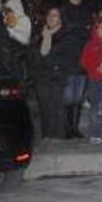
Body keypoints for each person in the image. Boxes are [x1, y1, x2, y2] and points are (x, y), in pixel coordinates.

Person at [34, 7, 75, 141]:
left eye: (55, 15)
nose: (52, 18)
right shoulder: (40, 34)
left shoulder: (65, 35)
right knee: (45, 109)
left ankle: (57, 138)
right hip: (42, 77)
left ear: (60, 19)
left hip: (57, 77)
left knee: (56, 108)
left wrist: (56, 66)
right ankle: (47, 136)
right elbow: (35, 54)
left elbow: (66, 56)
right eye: (50, 15)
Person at [60, 0, 91, 138]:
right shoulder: (63, 11)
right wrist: (79, 29)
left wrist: (76, 29)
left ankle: (75, 128)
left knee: (78, 96)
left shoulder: (85, 11)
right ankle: (67, 129)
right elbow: (66, 30)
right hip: (67, 59)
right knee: (68, 96)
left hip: (82, 59)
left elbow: (87, 31)